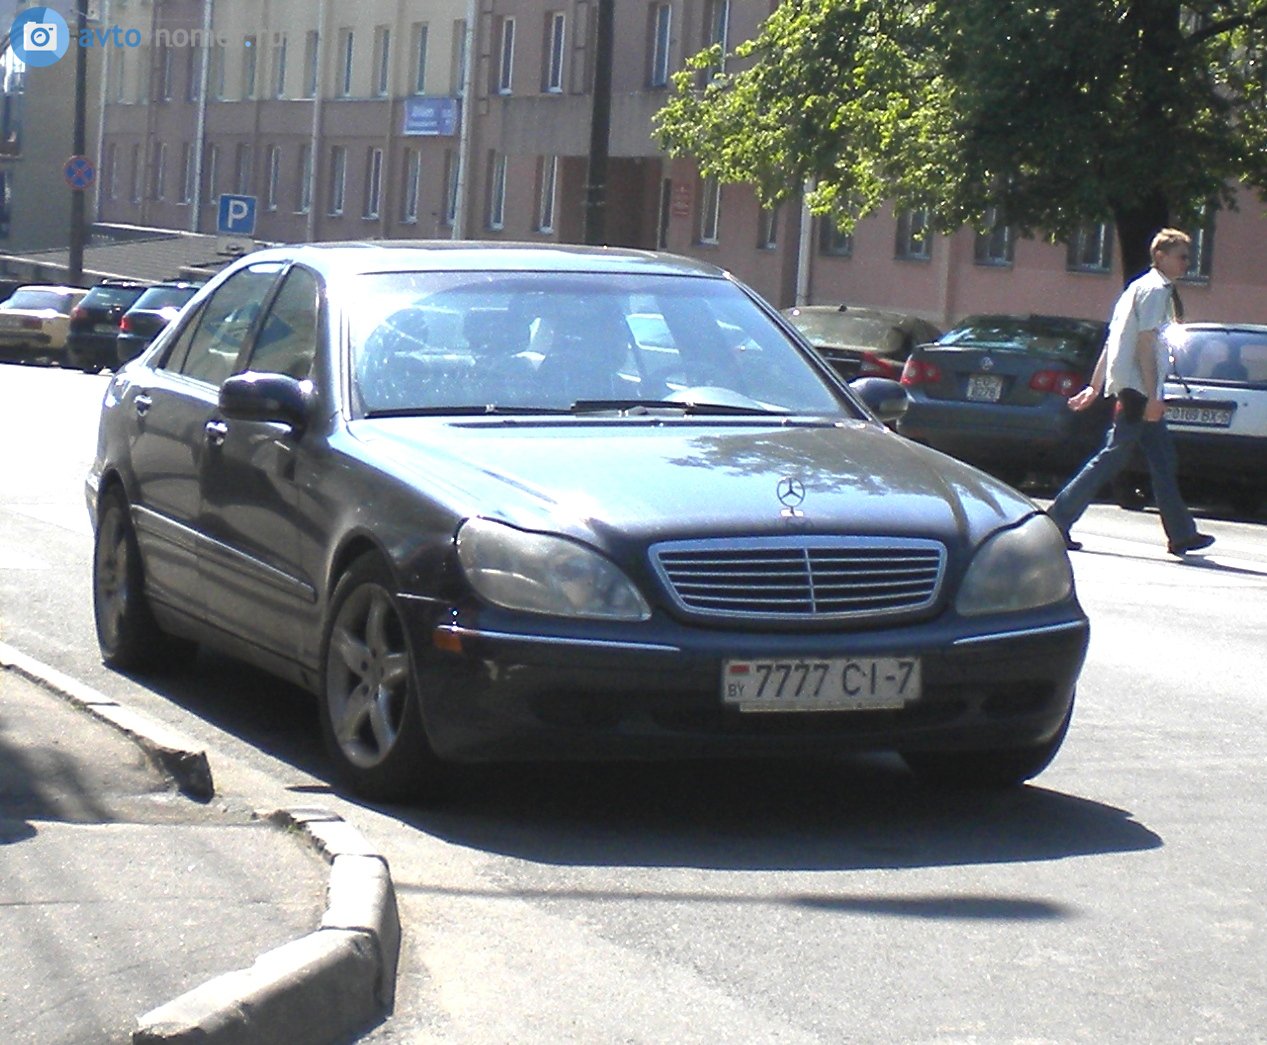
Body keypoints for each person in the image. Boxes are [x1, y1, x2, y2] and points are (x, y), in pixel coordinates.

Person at [1047, 228, 1214, 557]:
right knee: (1113, 456)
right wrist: (1153, 396)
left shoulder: (1137, 288)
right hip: (1138, 391)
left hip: (1134, 387)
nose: (1186, 263)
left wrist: (1094, 387)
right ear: (1161, 256)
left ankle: (1181, 534)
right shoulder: (1154, 291)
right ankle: (1056, 519)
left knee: (1162, 460)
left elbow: (1114, 339)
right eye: (1181, 256)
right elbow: (1143, 343)